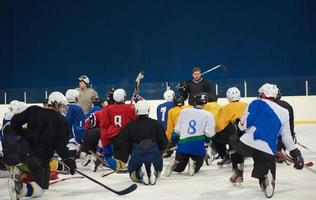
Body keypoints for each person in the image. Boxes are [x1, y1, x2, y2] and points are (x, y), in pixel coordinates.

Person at [227, 83, 304, 198]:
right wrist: (295, 153)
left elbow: (243, 126)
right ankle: (267, 180)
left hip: (247, 144)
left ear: (263, 94)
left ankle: (238, 169)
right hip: (267, 149)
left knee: (233, 140)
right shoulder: (284, 112)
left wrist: (239, 124)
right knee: (263, 165)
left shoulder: (256, 103)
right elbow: (286, 137)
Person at [2, 91, 76, 199]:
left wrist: (24, 135)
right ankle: (19, 187)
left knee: (41, 186)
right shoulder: (62, 121)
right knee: (40, 189)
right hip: (40, 158)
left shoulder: (34, 110)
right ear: (56, 104)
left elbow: (14, 122)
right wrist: (70, 161)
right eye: (62, 106)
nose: (63, 109)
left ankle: (20, 185)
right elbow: (60, 147)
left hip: (24, 153)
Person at [165, 93, 215, 177]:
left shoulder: (184, 111)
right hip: (197, 148)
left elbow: (177, 130)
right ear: (205, 102)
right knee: (197, 168)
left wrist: (173, 141)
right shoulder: (208, 115)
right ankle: (193, 164)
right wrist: (208, 141)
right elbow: (210, 134)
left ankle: (174, 164)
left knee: (180, 168)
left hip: (182, 146)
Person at [122, 100, 168, 185]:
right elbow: (164, 142)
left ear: (136, 111)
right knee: (158, 172)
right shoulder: (156, 123)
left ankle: (140, 174)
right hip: (154, 155)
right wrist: (160, 152)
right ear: (148, 110)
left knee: (132, 175)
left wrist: (127, 156)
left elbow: (125, 144)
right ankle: (153, 172)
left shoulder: (130, 125)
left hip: (137, 156)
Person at [100, 88, 136, 171]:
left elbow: (104, 126)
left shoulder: (108, 109)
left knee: (119, 158)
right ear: (123, 98)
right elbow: (136, 120)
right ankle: (112, 161)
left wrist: (105, 144)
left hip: (113, 137)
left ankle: (111, 160)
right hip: (125, 138)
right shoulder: (130, 107)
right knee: (123, 161)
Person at [214, 87, 248, 168]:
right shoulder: (246, 105)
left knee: (215, 138)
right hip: (247, 136)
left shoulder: (224, 108)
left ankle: (225, 156)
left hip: (232, 136)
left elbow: (218, 126)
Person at [65, 89, 86, 158]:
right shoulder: (77, 109)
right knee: (71, 162)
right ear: (75, 98)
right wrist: (80, 139)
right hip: (71, 140)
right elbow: (78, 127)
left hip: (61, 139)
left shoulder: (62, 107)